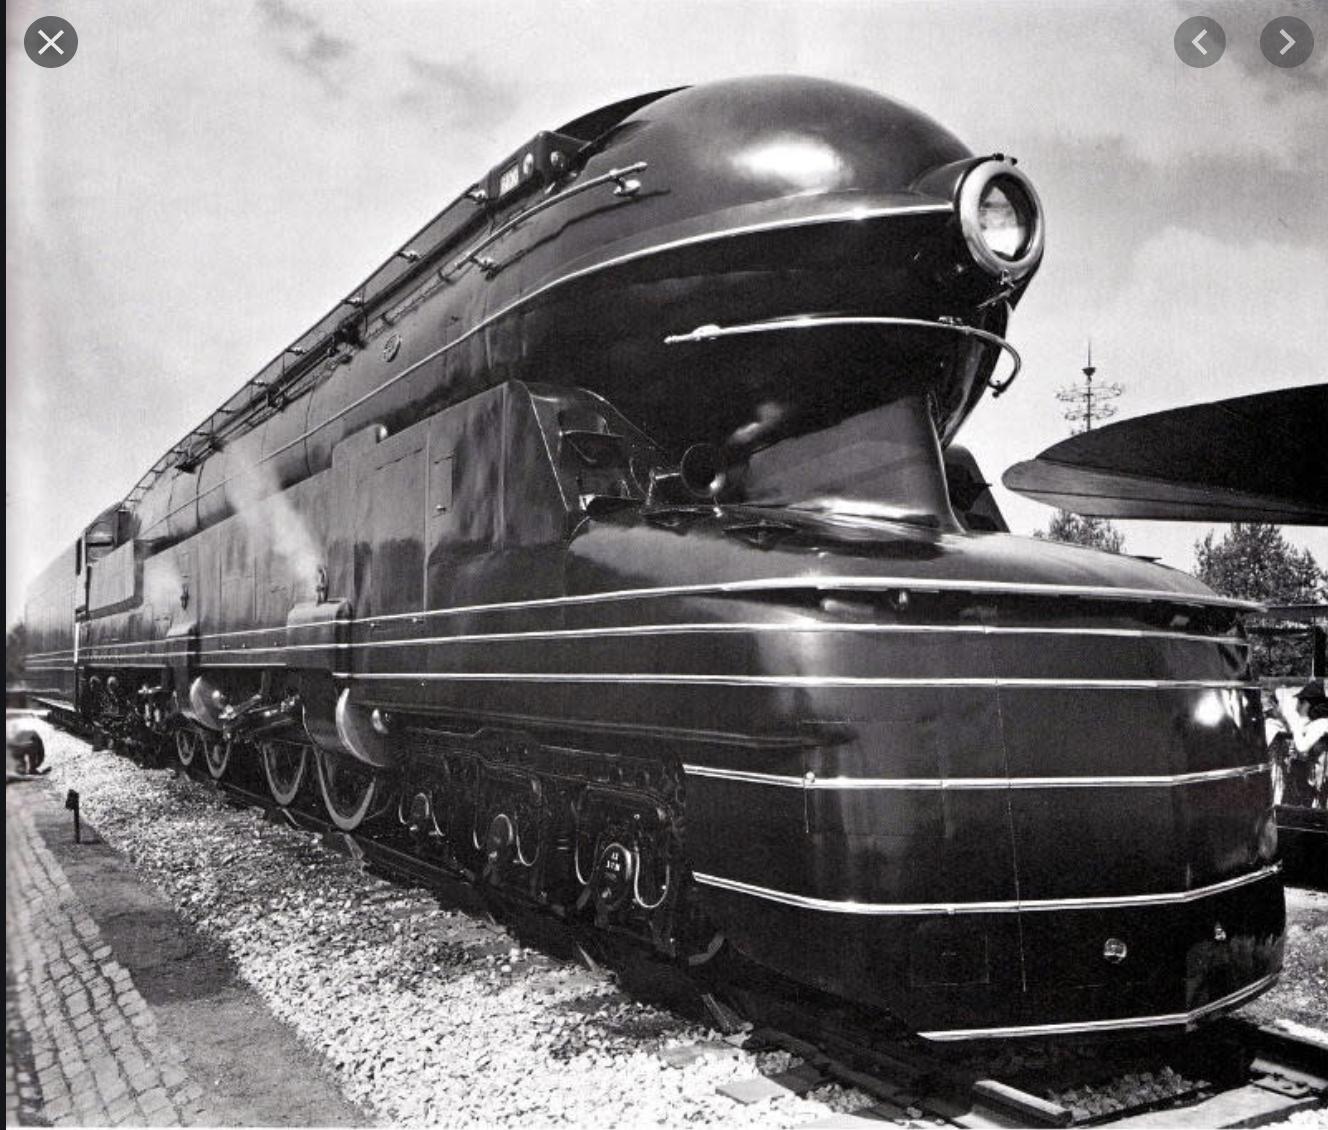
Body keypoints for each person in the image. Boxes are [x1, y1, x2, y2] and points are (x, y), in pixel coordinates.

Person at [1276, 681, 1328, 810]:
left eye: (1301, 702)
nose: (1297, 705)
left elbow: (1302, 747)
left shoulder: (1322, 723)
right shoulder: (1318, 723)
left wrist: (1296, 722)